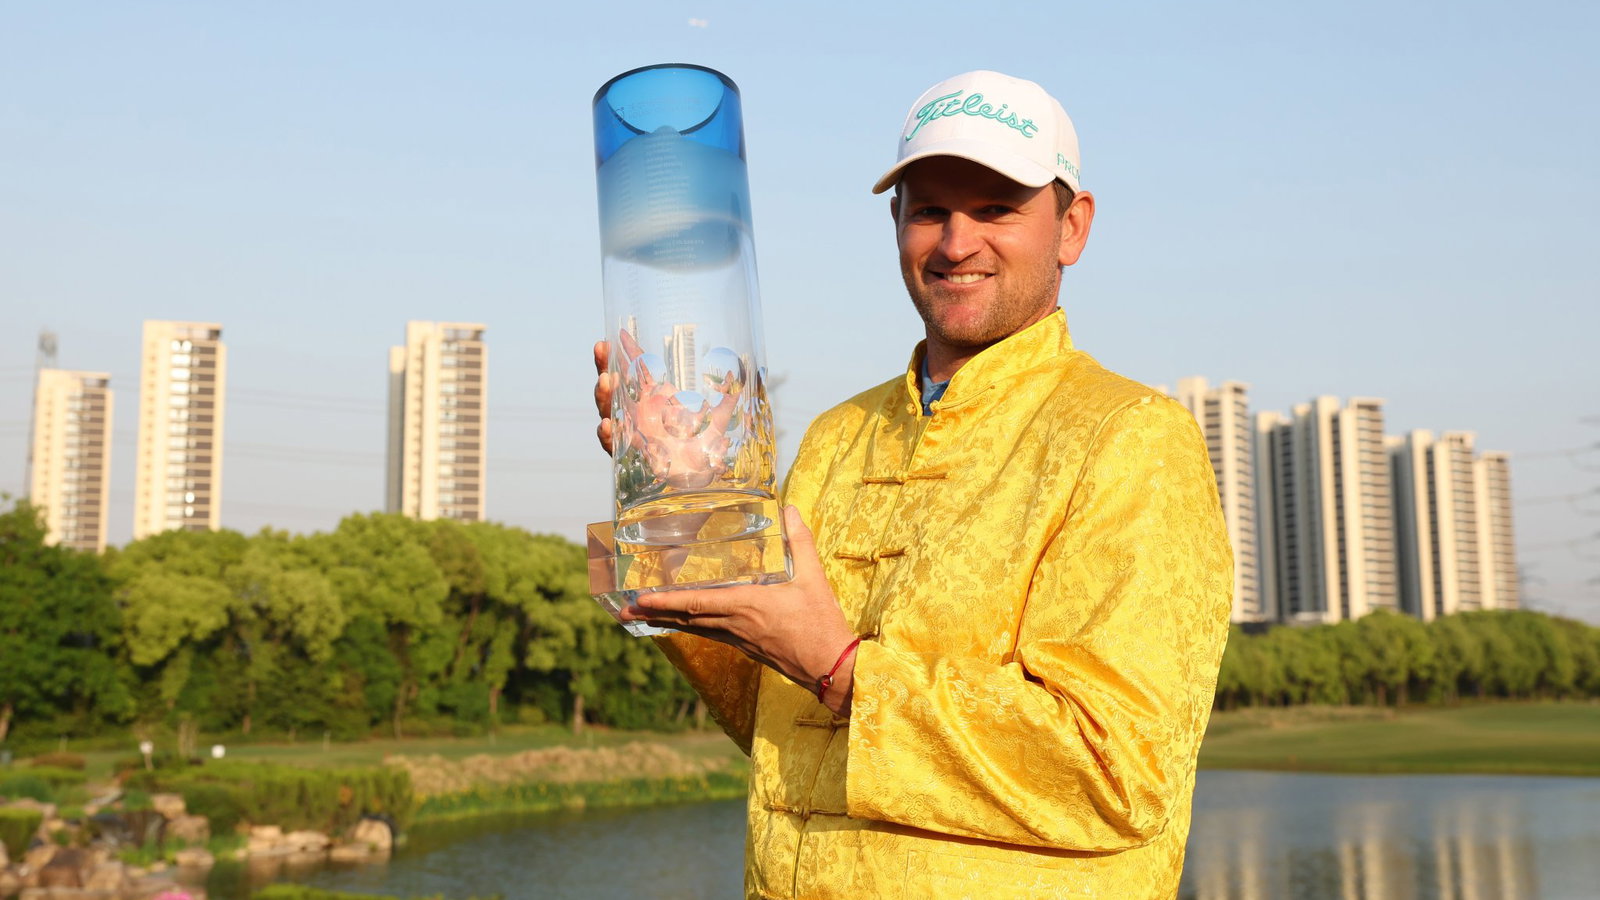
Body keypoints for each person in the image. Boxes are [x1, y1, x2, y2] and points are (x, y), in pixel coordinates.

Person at [592, 70, 1232, 900]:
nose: (957, 241)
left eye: (997, 209)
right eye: (929, 209)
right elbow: (778, 726)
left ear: (1073, 227)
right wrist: (678, 509)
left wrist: (842, 665)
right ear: (895, 223)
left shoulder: (1131, 437)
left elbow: (1119, 776)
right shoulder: (835, 437)